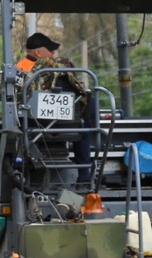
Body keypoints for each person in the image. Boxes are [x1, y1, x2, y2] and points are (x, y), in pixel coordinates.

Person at [17, 32, 98, 183]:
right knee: (85, 123)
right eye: (50, 50)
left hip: (34, 127)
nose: (53, 54)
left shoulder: (18, 70)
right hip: (64, 125)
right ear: (38, 52)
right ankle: (84, 175)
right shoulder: (57, 69)